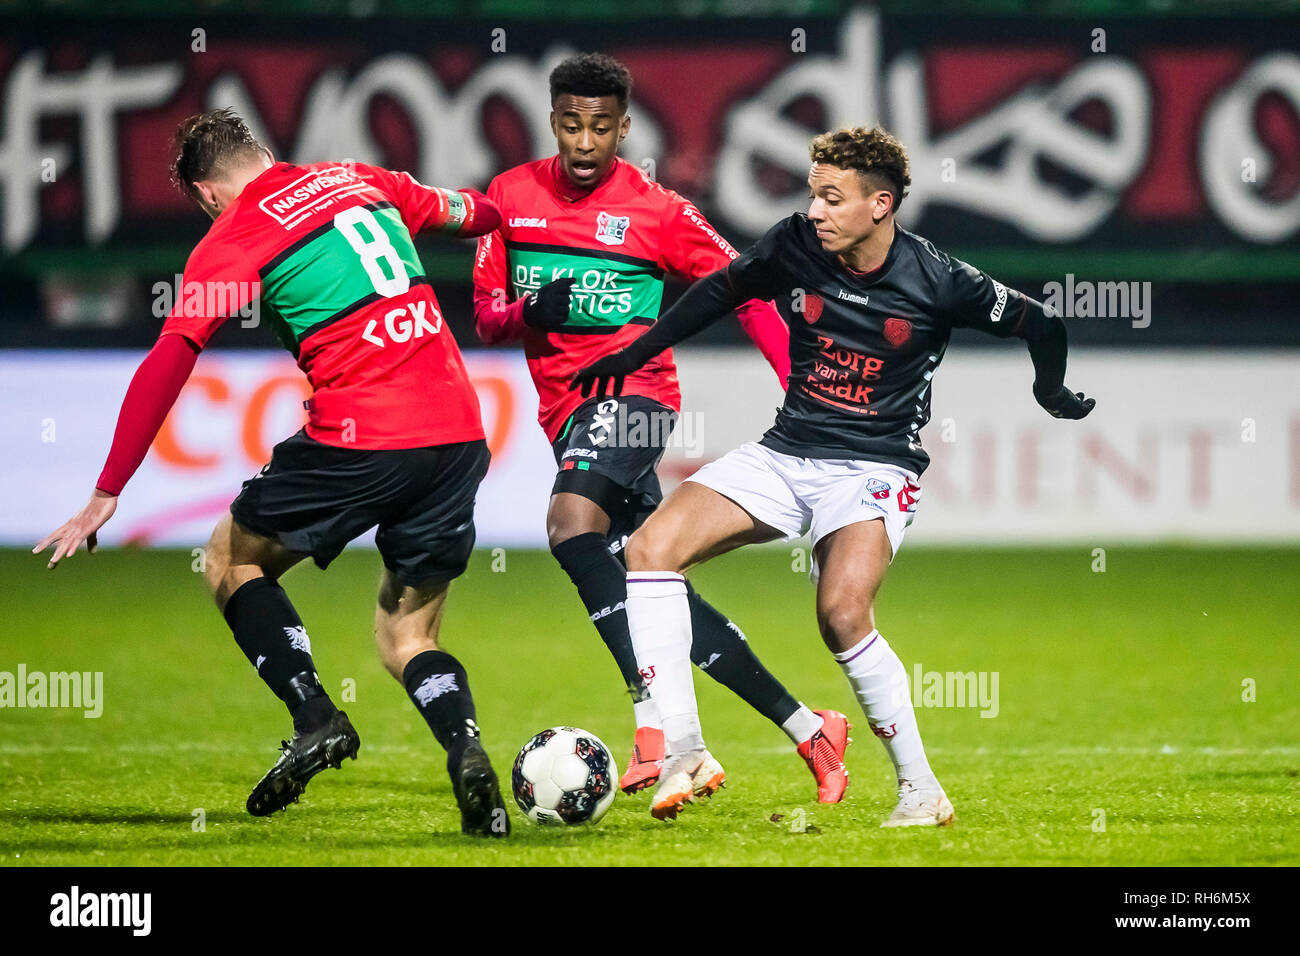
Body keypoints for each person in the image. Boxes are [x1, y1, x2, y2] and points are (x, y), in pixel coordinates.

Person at [573, 126, 1096, 823]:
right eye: (813, 195)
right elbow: (719, 290)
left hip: (875, 468)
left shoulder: (939, 279)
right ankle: (685, 747)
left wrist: (1051, 391)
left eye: (832, 198)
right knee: (649, 550)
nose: (815, 211)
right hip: (787, 452)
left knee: (842, 614)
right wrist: (637, 350)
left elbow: (1039, 321)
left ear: (880, 205)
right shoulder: (794, 243)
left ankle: (920, 789)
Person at [34, 108, 513, 837]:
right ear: (262, 154)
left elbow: (170, 359)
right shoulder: (358, 179)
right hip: (457, 432)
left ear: (207, 193)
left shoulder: (235, 233)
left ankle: (315, 715)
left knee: (231, 557)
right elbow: (476, 212)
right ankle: (466, 748)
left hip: (362, 433)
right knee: (408, 636)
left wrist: (108, 491)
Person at [473, 53, 850, 804]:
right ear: (553, 121)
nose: (585, 143)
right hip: (565, 415)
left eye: (602, 128)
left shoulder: (660, 212)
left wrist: (803, 388)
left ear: (624, 128)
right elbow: (486, 319)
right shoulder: (507, 199)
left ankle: (655, 721)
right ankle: (809, 727)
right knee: (653, 584)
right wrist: (525, 314)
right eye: (573, 125)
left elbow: (746, 292)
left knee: (570, 528)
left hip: (635, 401)